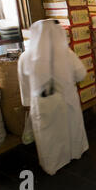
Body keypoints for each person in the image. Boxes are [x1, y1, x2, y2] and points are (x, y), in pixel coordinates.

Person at [18, 19, 89, 175]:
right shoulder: (67, 54)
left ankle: (53, 165)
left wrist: (28, 103)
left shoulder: (25, 57)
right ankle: (75, 153)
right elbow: (81, 74)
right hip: (67, 100)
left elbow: (24, 85)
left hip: (42, 104)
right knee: (71, 129)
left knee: (48, 137)